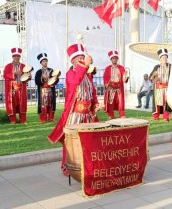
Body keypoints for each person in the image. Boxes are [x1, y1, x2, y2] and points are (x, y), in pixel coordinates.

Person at [48, 44, 100, 175]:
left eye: (83, 57)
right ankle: (67, 165)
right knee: (70, 141)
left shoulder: (88, 75)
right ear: (73, 61)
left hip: (87, 114)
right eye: (79, 58)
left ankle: (86, 163)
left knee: (89, 140)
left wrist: (96, 104)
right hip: (76, 114)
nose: (82, 59)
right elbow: (77, 80)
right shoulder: (70, 73)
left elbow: (92, 91)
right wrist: (85, 65)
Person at [3, 47, 28, 124]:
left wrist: (28, 76)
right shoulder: (8, 66)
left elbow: (26, 76)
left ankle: (22, 120)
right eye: (15, 56)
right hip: (12, 89)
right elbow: (5, 75)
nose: (16, 57)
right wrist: (14, 74)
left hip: (21, 88)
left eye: (18, 56)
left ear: (20, 57)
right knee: (12, 104)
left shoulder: (24, 66)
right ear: (12, 57)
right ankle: (12, 120)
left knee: (22, 104)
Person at [34, 53, 58, 122]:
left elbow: (55, 80)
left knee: (51, 104)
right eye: (44, 61)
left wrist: (56, 78)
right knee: (43, 104)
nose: (45, 62)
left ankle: (51, 118)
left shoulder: (51, 70)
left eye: (46, 61)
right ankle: (43, 119)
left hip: (50, 89)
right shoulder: (38, 72)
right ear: (41, 63)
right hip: (43, 91)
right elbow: (37, 82)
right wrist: (42, 78)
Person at [149, 48, 172, 121]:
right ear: (160, 59)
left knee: (167, 103)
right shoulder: (156, 67)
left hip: (167, 88)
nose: (164, 59)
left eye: (165, 57)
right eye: (163, 57)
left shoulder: (170, 66)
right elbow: (151, 78)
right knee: (157, 104)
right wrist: (153, 75)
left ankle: (166, 117)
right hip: (158, 88)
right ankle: (156, 117)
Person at [103, 50, 126, 119]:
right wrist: (107, 84)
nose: (114, 59)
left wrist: (125, 77)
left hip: (119, 87)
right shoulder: (107, 68)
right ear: (111, 59)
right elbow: (105, 77)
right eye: (113, 58)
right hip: (111, 88)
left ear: (117, 59)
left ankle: (121, 114)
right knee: (111, 101)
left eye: (116, 58)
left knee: (120, 102)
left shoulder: (121, 68)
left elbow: (124, 77)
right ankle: (111, 115)